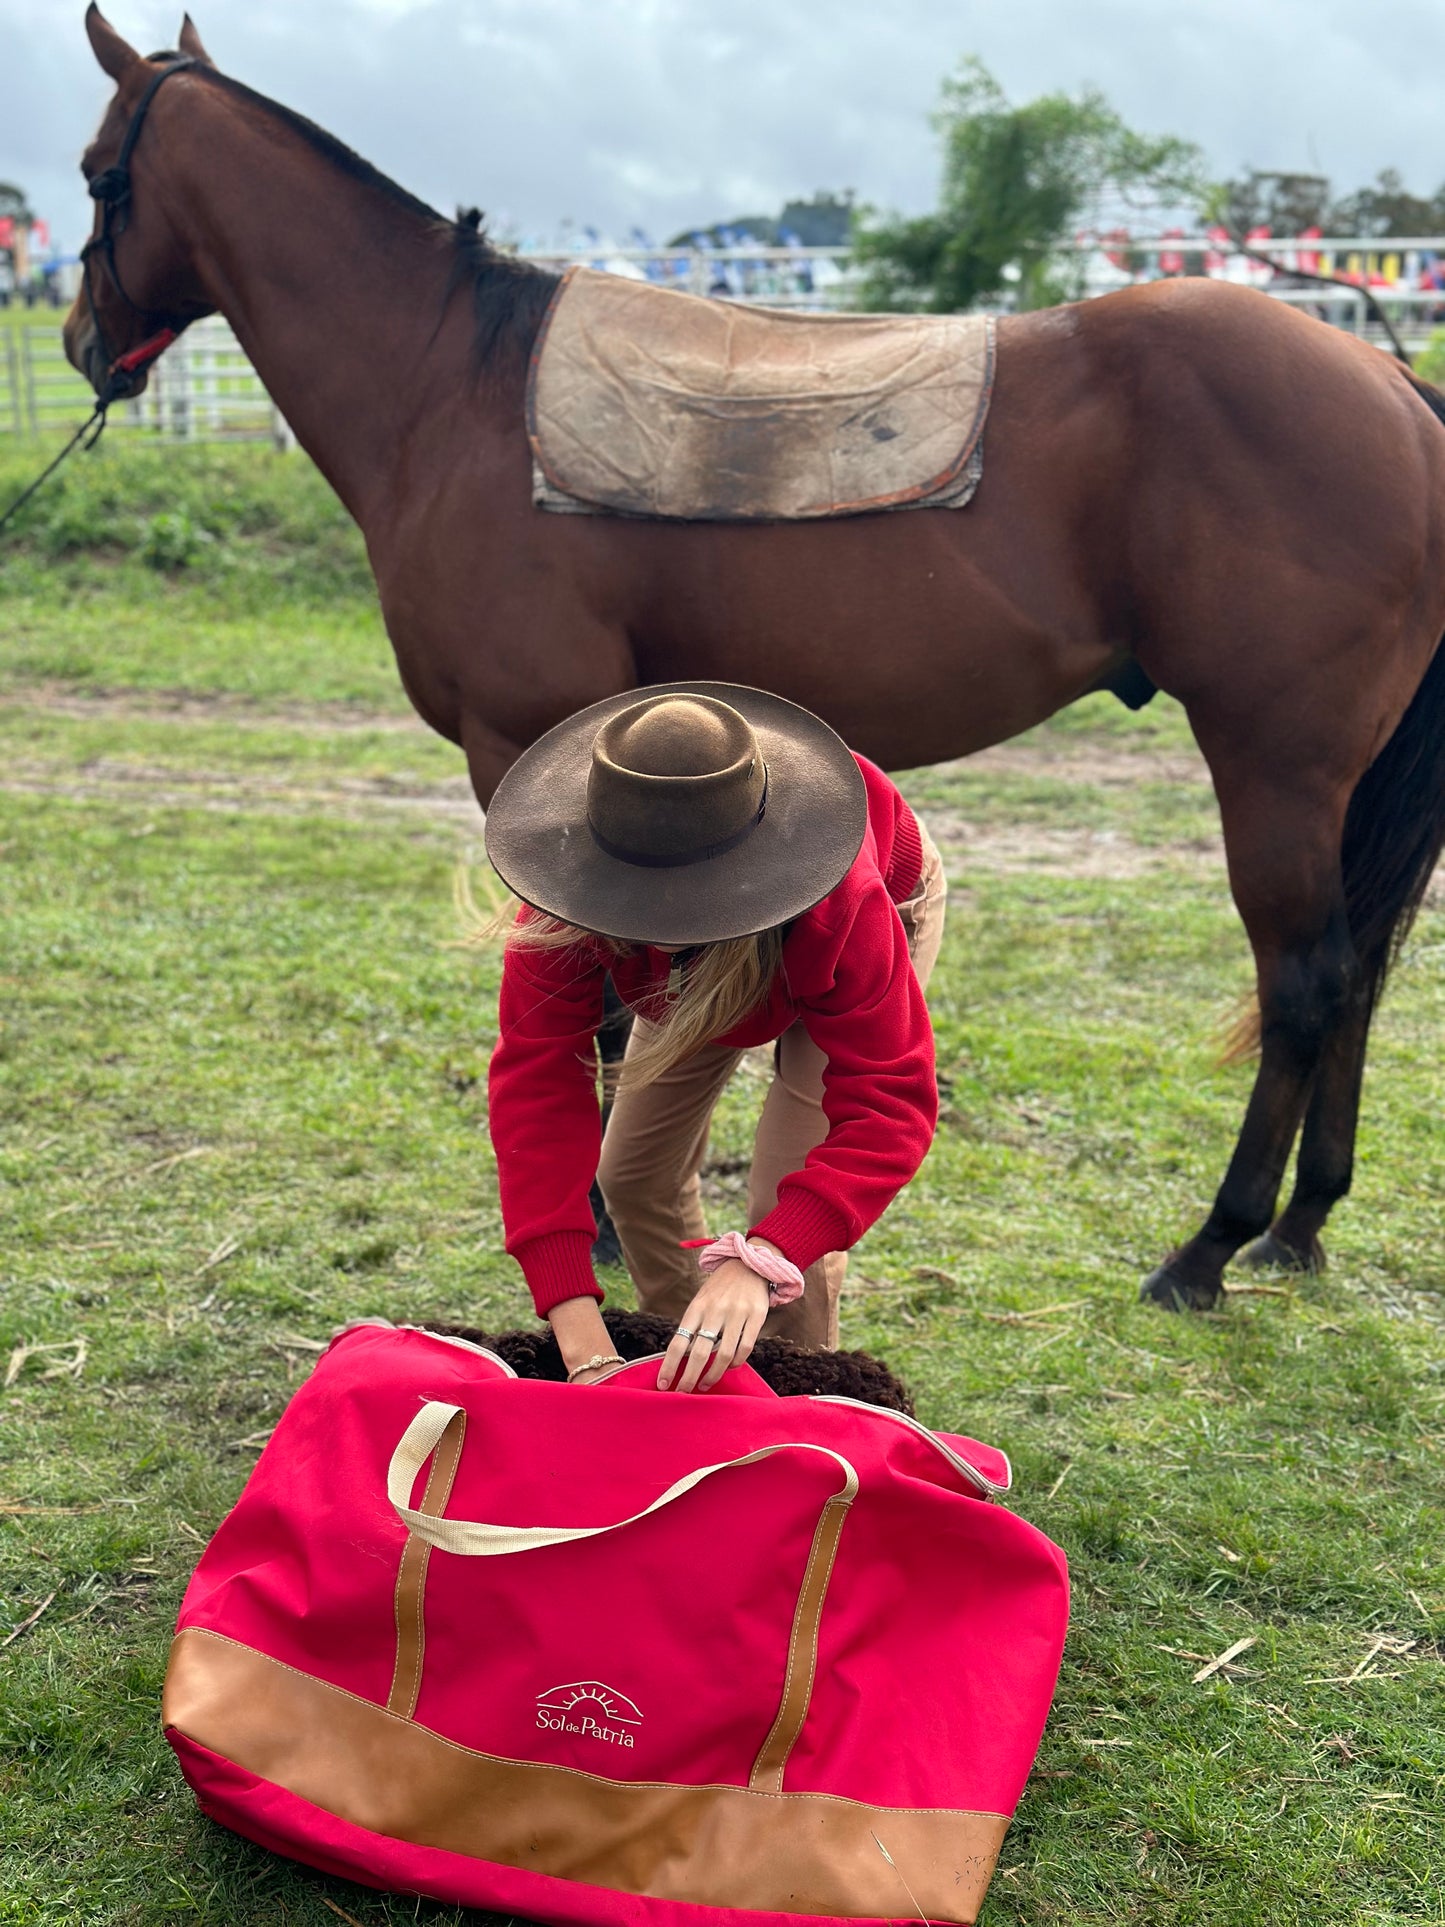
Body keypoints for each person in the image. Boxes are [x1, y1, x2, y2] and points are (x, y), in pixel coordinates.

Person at [483, 682, 946, 1393]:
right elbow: (538, 1088)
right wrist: (581, 1336)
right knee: (634, 1174)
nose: (667, 916)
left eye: (682, 910)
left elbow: (887, 1105)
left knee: (783, 1204)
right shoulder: (566, 898)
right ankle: (689, 1366)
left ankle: (792, 1396)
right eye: (645, 907)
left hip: (838, 920)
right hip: (696, 965)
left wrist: (765, 1255)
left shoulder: (841, 905)